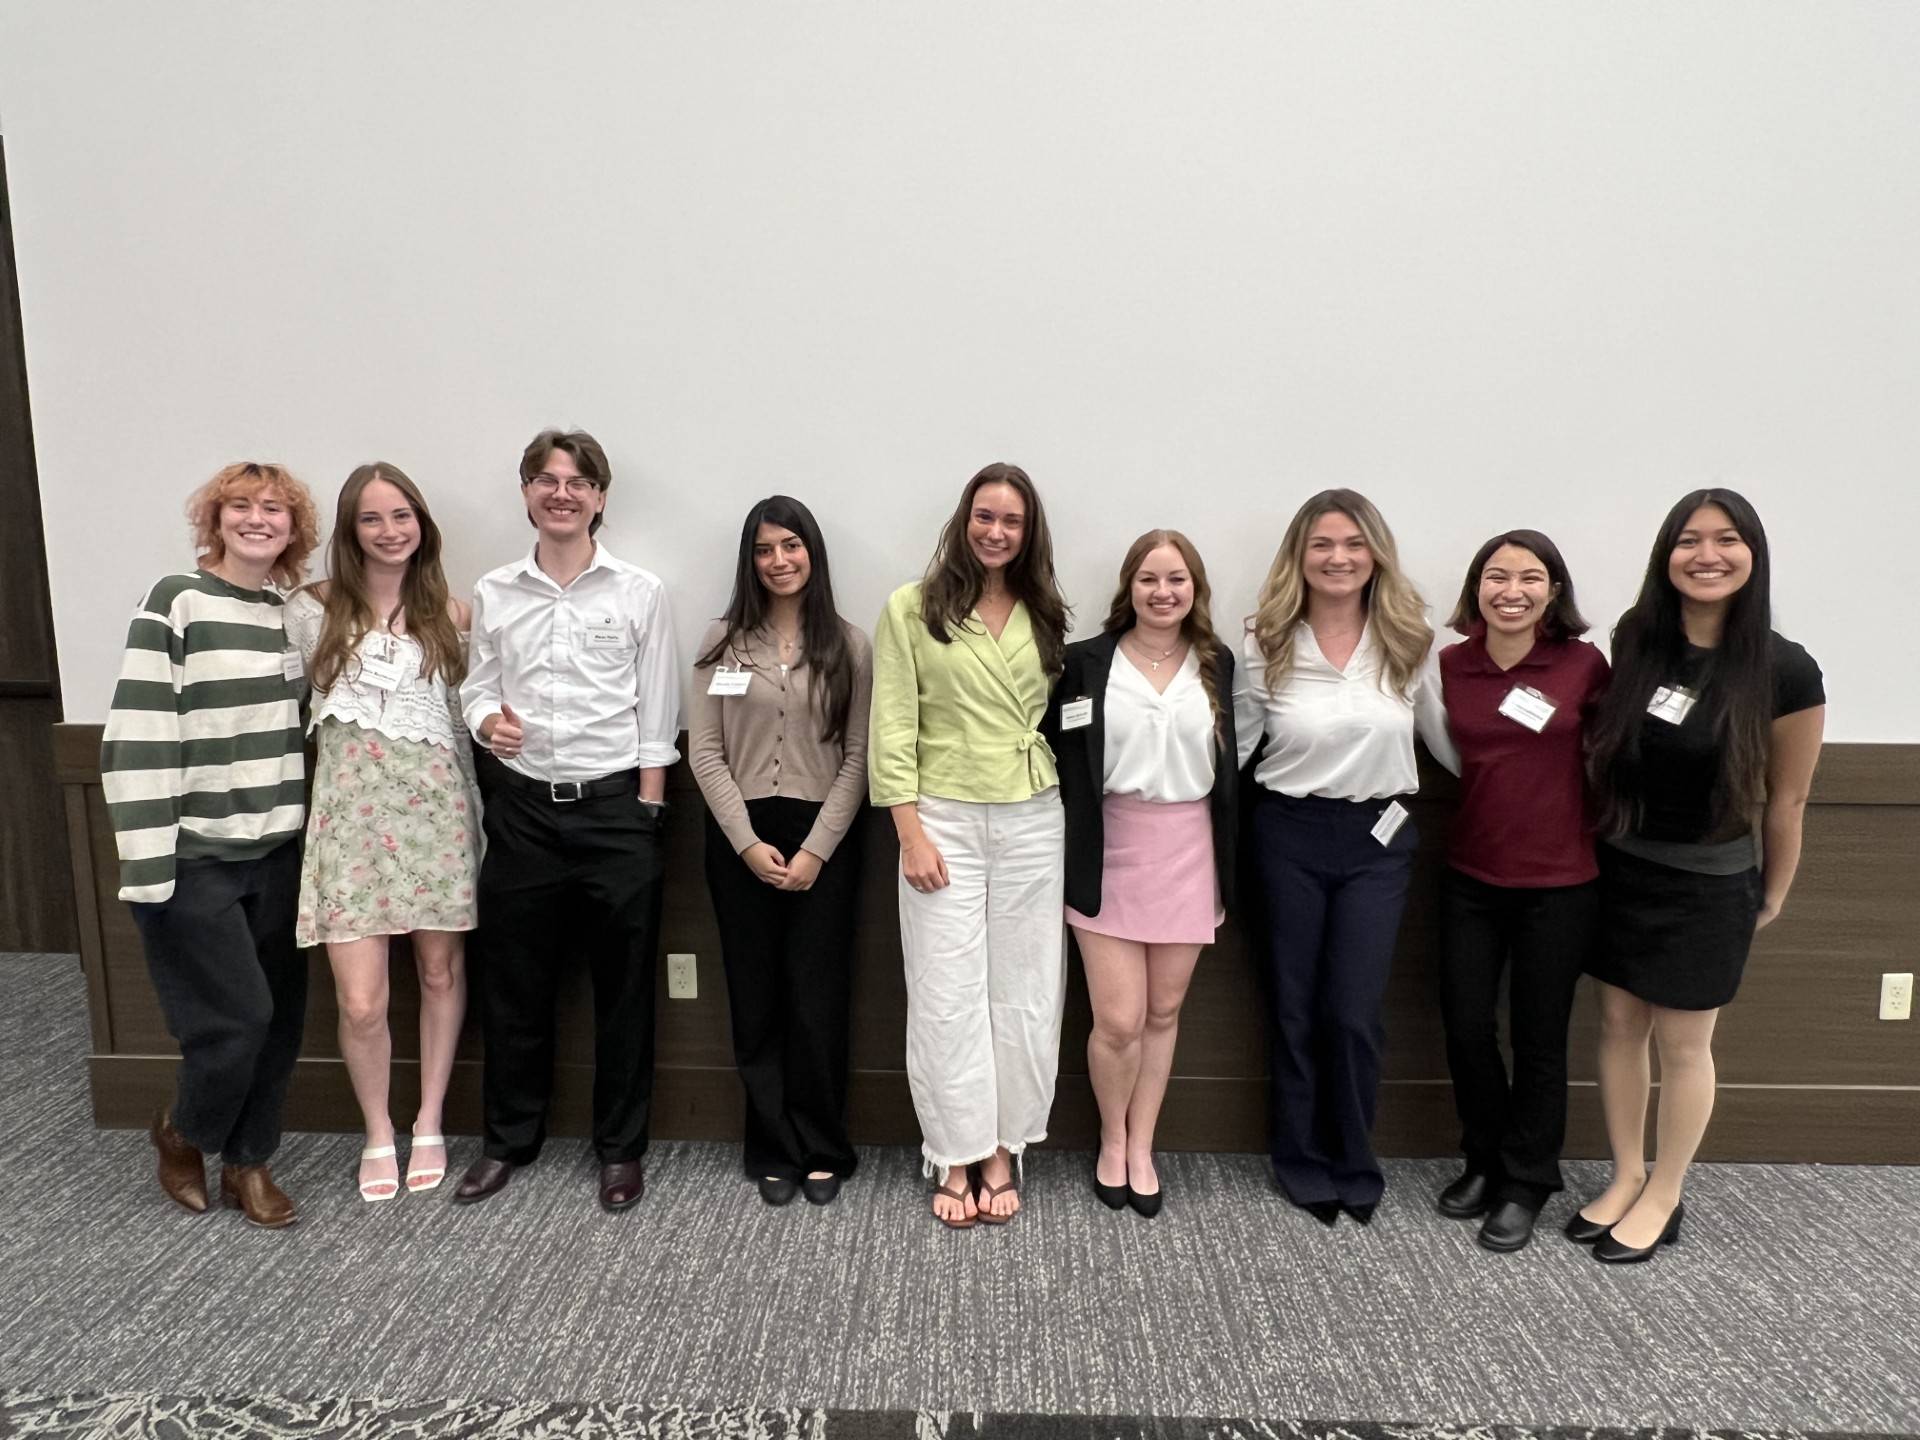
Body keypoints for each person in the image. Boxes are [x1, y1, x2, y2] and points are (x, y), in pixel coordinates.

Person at [1571, 490, 1824, 1264]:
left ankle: (1667, 1191)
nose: (1707, 555)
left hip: (1710, 883)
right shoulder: (1637, 638)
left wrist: (1773, 889)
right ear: (1666, 555)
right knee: (1618, 1029)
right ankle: (1626, 1173)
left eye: (1726, 541)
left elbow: (1789, 797)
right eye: (1689, 540)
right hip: (1622, 868)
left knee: (1685, 1048)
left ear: (1753, 555)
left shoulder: (1785, 667)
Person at [456, 428, 680, 1213]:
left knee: (624, 993)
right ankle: (508, 1142)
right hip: (521, 810)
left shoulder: (639, 591)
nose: (561, 492)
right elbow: (476, 687)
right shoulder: (495, 591)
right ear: (526, 494)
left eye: (577, 481)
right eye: (546, 479)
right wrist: (487, 722)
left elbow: (658, 708)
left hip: (616, 810)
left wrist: (648, 808)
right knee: (514, 987)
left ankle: (620, 1151)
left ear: (600, 498)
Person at [101, 462, 320, 1229]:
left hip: (281, 854)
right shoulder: (175, 601)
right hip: (197, 856)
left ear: (294, 531)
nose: (257, 519)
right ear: (215, 518)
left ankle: (250, 1163)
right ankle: (183, 1131)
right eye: (241, 505)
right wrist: (147, 867)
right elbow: (138, 731)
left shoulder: (289, 615)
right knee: (238, 1020)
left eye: (274, 510)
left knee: (282, 1024)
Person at [1234, 489, 1457, 1227]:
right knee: (1295, 1008)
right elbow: (1230, 753)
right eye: (1323, 544)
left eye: (1354, 544)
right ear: (1300, 555)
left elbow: (1452, 748)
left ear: (1376, 555)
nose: (1338, 558)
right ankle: (1299, 1159)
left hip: (1377, 842)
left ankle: (1353, 1157)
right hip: (1286, 835)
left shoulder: (1409, 641)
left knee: (1353, 1011)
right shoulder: (1263, 641)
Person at [869, 462, 1070, 1229]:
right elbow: (891, 728)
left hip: (1031, 815)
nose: (996, 532)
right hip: (942, 816)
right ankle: (952, 1150)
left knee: (1024, 989)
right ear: (963, 521)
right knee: (946, 991)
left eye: (1011, 522)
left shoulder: (1044, 611)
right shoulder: (911, 608)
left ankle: (1002, 1146)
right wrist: (909, 833)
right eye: (985, 517)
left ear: (1028, 534)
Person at [283, 463, 480, 1203]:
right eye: (373, 518)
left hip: (436, 820)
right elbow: (277, 710)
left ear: (421, 524)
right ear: (350, 529)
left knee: (438, 974)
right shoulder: (311, 611)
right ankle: (377, 1129)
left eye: (402, 515)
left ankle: (428, 1117)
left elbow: (465, 729)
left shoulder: (453, 616)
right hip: (349, 827)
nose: (390, 531)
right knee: (362, 1001)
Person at [689, 496, 873, 1207]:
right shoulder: (721, 640)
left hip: (824, 837)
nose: (779, 561)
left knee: (817, 998)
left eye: (790, 546)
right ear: (751, 560)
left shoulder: (851, 646)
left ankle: (824, 1145)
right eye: (765, 549)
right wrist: (746, 843)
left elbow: (859, 759)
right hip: (741, 839)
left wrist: (817, 851)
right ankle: (771, 1145)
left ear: (812, 553)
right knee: (756, 995)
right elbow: (705, 754)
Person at [1047, 529, 1236, 1220]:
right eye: (1150, 579)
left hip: (1189, 851)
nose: (1163, 592)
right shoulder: (1086, 662)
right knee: (1119, 1019)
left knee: (1163, 1012)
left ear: (1196, 590)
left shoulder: (1217, 663)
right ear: (1128, 587)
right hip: (1109, 849)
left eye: (1177, 580)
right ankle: (1109, 1137)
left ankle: (1142, 1145)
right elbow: (1060, 754)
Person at [1433, 530, 1610, 1252]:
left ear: (1555, 591)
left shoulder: (1584, 665)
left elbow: (1616, 759)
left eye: (1530, 577)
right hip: (1470, 876)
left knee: (1540, 1039)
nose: (1512, 590)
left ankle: (1527, 1179)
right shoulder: (1450, 665)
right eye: (1496, 576)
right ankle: (1482, 1158)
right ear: (1475, 588)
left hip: (1561, 883)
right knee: (1467, 1028)